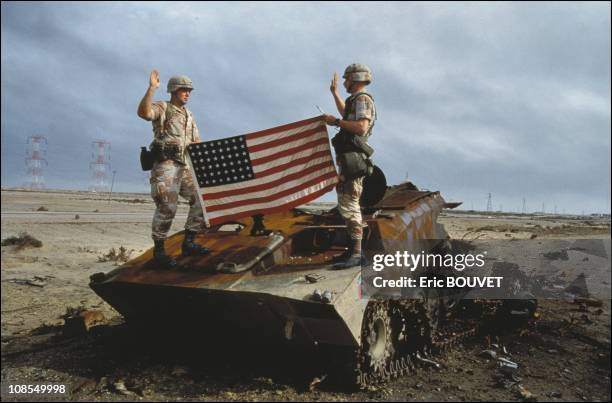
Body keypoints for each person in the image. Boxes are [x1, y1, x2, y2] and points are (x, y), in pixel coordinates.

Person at [137, 70, 210, 268]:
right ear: (173, 91)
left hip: (184, 167)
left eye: (189, 90)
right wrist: (152, 89)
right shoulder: (164, 107)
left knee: (202, 200)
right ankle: (159, 251)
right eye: (183, 90)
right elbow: (144, 113)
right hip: (166, 166)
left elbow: (196, 142)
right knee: (167, 206)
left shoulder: (189, 116)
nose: (187, 93)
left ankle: (189, 242)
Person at [323, 63, 377, 269]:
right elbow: (348, 114)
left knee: (350, 204)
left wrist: (336, 121)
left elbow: (361, 127)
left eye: (346, 79)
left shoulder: (363, 99)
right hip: (348, 158)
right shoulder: (356, 101)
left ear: (355, 79)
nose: (344, 82)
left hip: (354, 159)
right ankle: (352, 250)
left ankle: (356, 253)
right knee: (346, 202)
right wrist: (335, 94)